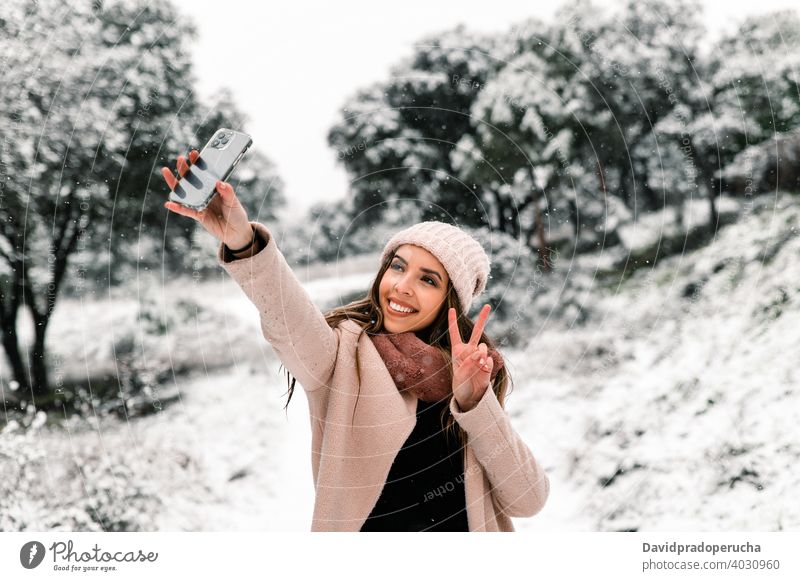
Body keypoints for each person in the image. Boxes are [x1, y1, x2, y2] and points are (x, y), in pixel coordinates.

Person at [162, 149, 550, 532]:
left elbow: (528, 500)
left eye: (427, 279)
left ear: (451, 300)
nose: (401, 286)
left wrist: (473, 402)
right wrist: (243, 241)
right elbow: (287, 318)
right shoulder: (342, 355)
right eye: (397, 267)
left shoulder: (469, 374)